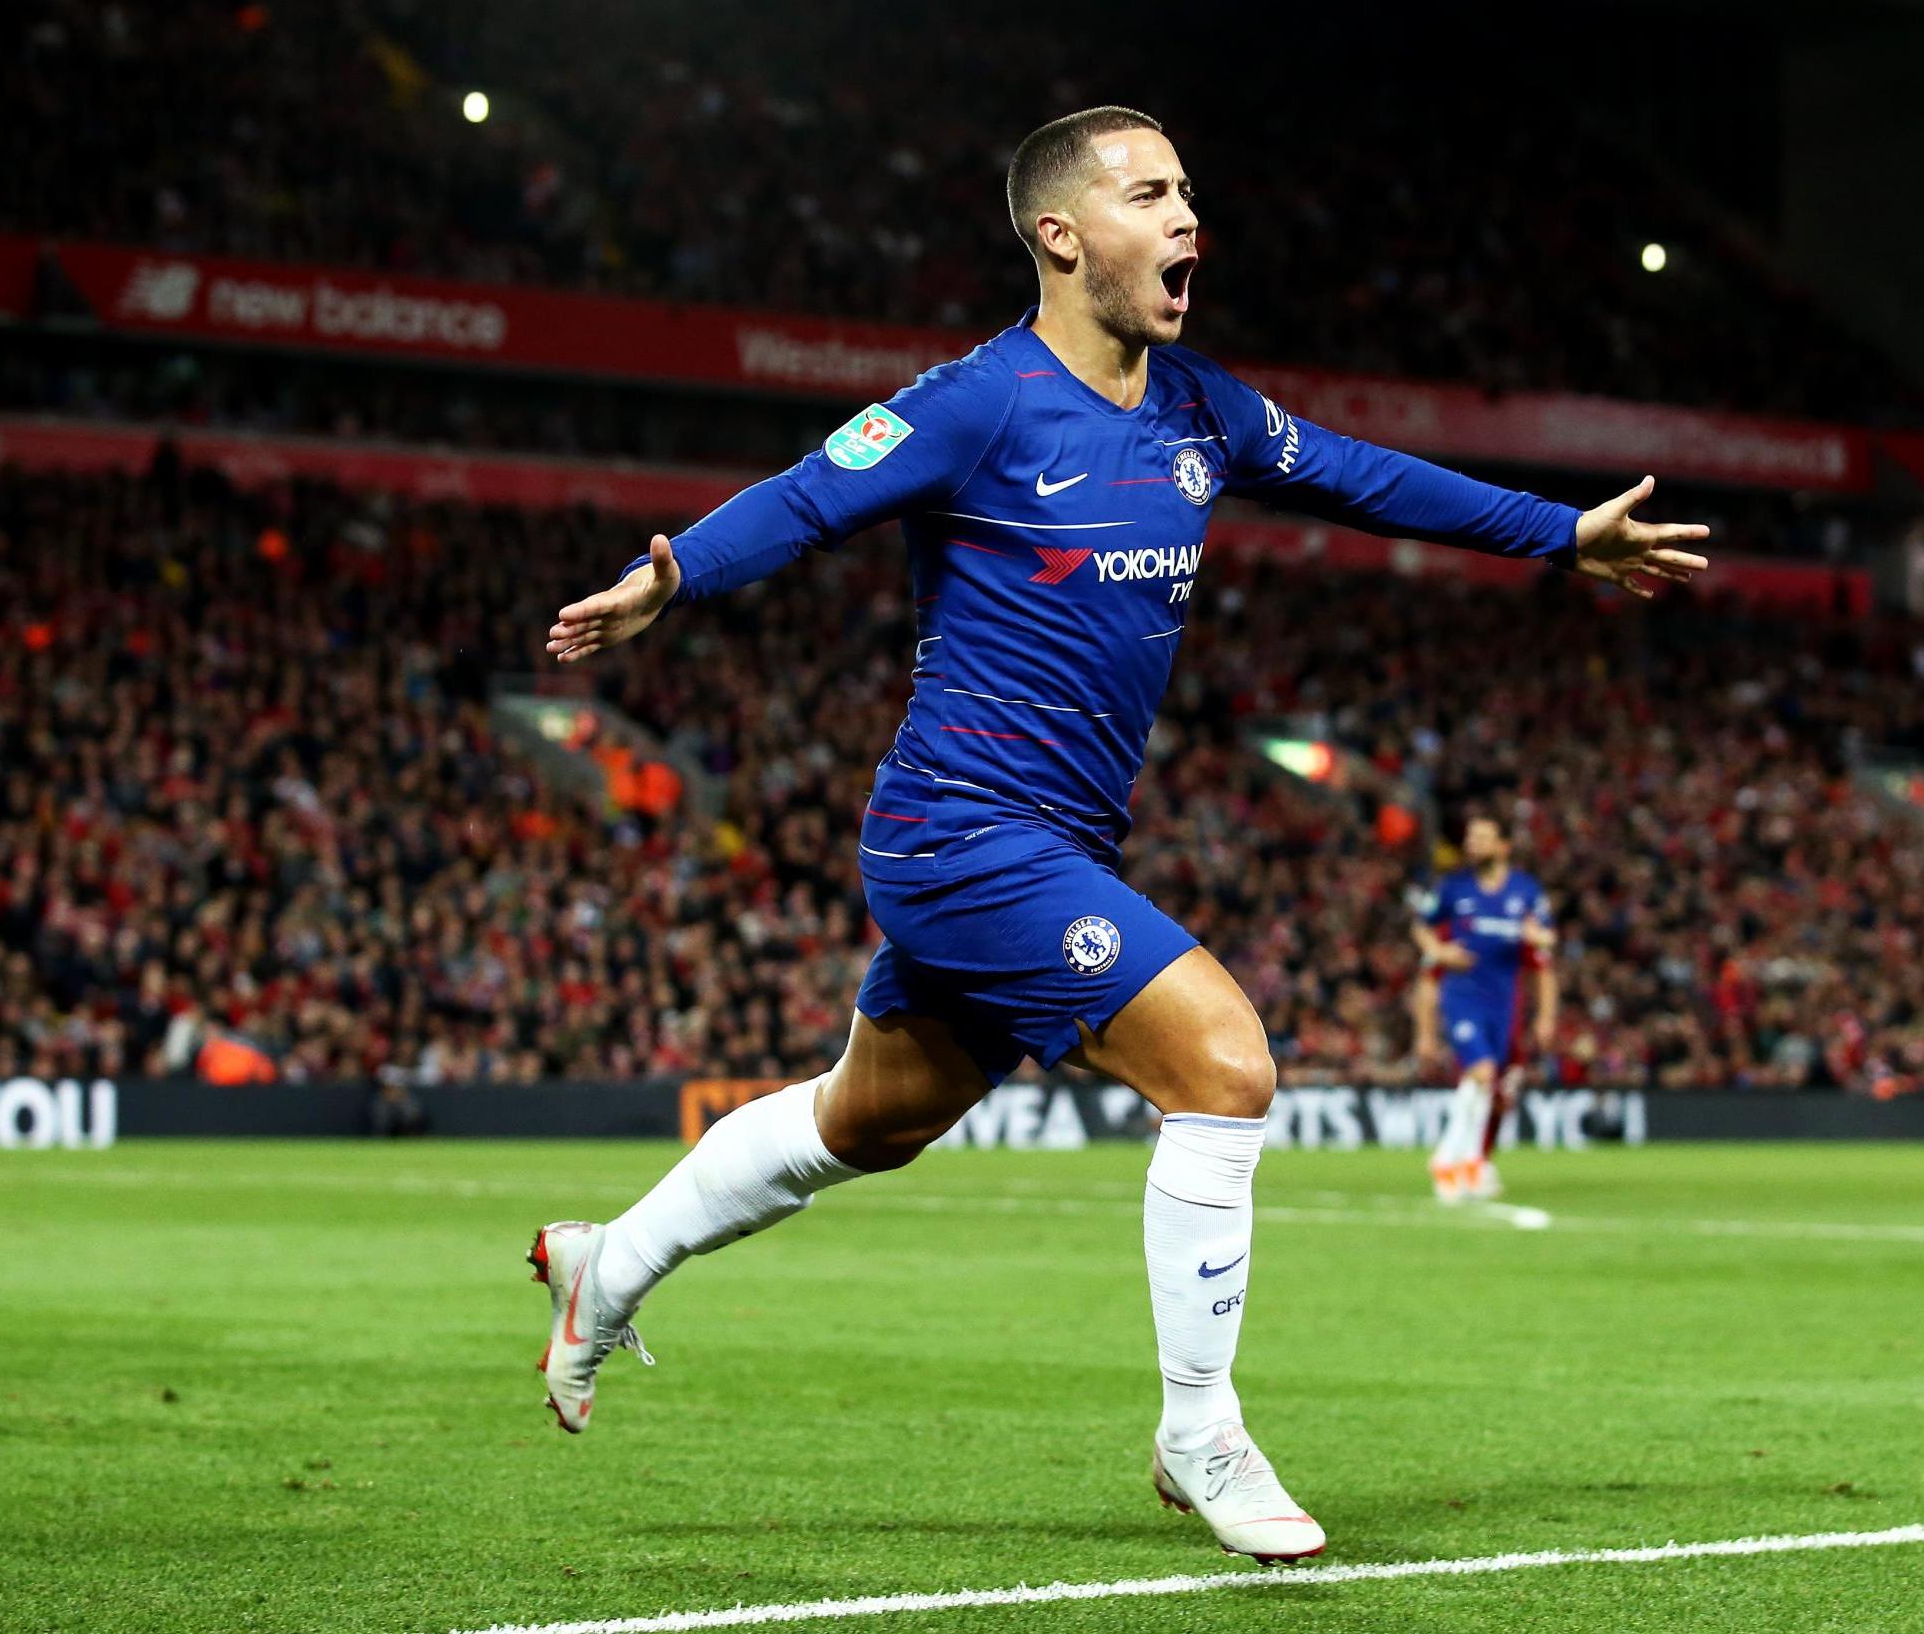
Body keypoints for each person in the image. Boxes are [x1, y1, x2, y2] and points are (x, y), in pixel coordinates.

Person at [528, 106, 1707, 1564]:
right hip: (957, 832)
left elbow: (1360, 475)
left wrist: (1558, 534)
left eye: (1190, 190)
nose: (1188, 217)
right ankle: (1197, 1429)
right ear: (1061, 235)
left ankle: (607, 1265)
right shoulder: (978, 403)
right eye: (1150, 193)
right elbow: (813, 492)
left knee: (867, 1121)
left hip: (1057, 845)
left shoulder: (1197, 404)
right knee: (1224, 1060)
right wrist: (672, 576)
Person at [1412, 816, 1558, 1202]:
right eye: (1471, 837)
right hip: (1462, 996)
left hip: (1504, 1003)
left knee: (1488, 1083)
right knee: (1482, 1071)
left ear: (1503, 846)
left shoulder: (1525, 891)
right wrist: (1438, 950)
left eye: (1482, 838)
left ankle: (1472, 1161)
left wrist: (1537, 936)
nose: (1473, 844)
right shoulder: (1453, 888)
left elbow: (1547, 938)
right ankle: (1447, 1160)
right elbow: (1421, 926)